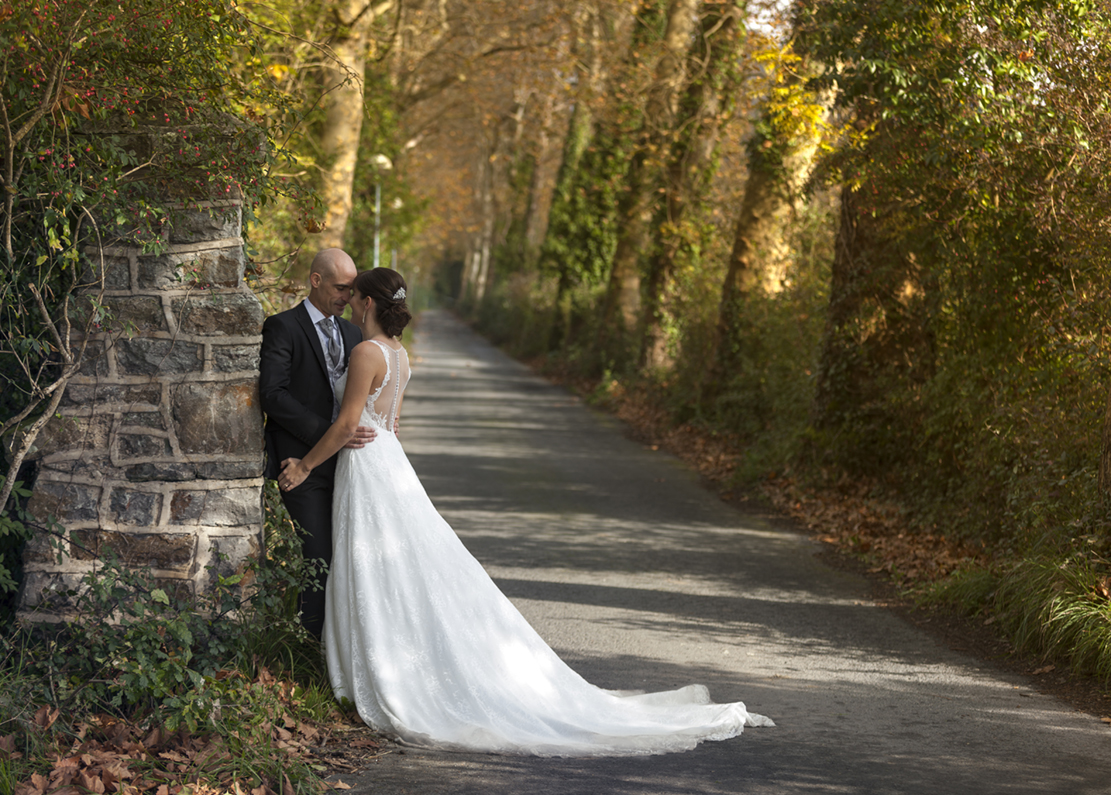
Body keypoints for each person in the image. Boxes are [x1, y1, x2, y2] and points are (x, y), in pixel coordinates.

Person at [277, 267, 774, 757]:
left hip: (367, 466)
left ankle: (386, 670)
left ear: (366, 303)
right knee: (404, 568)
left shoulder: (366, 351)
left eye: (353, 294)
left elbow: (346, 425)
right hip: (388, 462)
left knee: (383, 567)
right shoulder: (400, 355)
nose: (348, 301)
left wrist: (303, 465)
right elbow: (394, 423)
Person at [258, 248, 378, 639]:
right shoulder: (282, 326)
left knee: (348, 557)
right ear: (315, 280)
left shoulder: (353, 334)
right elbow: (273, 395)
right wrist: (328, 435)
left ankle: (340, 647)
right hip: (299, 460)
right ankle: (311, 646)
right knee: (319, 556)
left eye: (352, 290)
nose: (347, 297)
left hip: (349, 466)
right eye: (341, 288)